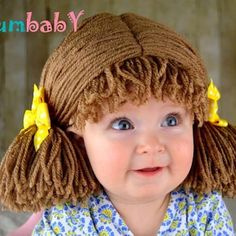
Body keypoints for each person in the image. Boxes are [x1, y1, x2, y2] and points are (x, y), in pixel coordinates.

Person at [1, 12, 236, 235]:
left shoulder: (205, 208)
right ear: (78, 139)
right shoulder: (68, 217)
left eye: (171, 120)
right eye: (123, 124)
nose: (152, 145)